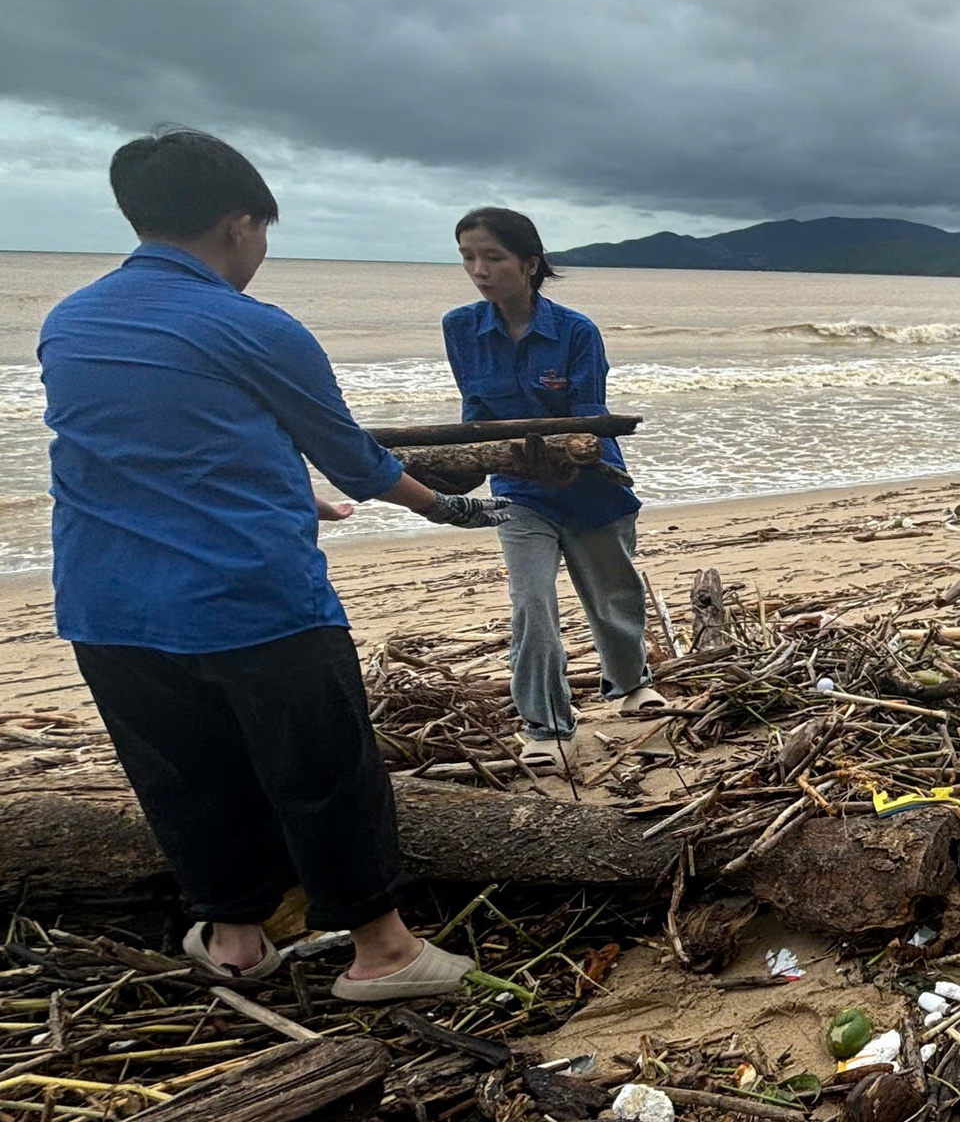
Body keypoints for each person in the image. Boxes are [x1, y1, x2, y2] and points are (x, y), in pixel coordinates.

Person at [39, 128, 508, 999]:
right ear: (239, 223)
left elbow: (162, 447)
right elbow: (355, 458)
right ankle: (384, 953)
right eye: (264, 233)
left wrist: (291, 497)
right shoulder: (251, 325)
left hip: (107, 607)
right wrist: (447, 507)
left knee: (186, 778)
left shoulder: (69, 322)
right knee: (325, 772)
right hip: (250, 600)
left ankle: (236, 941)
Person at [445, 208, 665, 769]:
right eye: (469, 257)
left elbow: (588, 421)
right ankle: (544, 722)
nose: (479, 269)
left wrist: (564, 457)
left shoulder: (575, 332)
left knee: (613, 599)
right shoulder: (460, 328)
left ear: (530, 262)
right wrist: (451, 477)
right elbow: (475, 417)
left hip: (592, 487)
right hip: (518, 493)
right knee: (531, 603)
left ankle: (630, 683)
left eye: (493, 256)